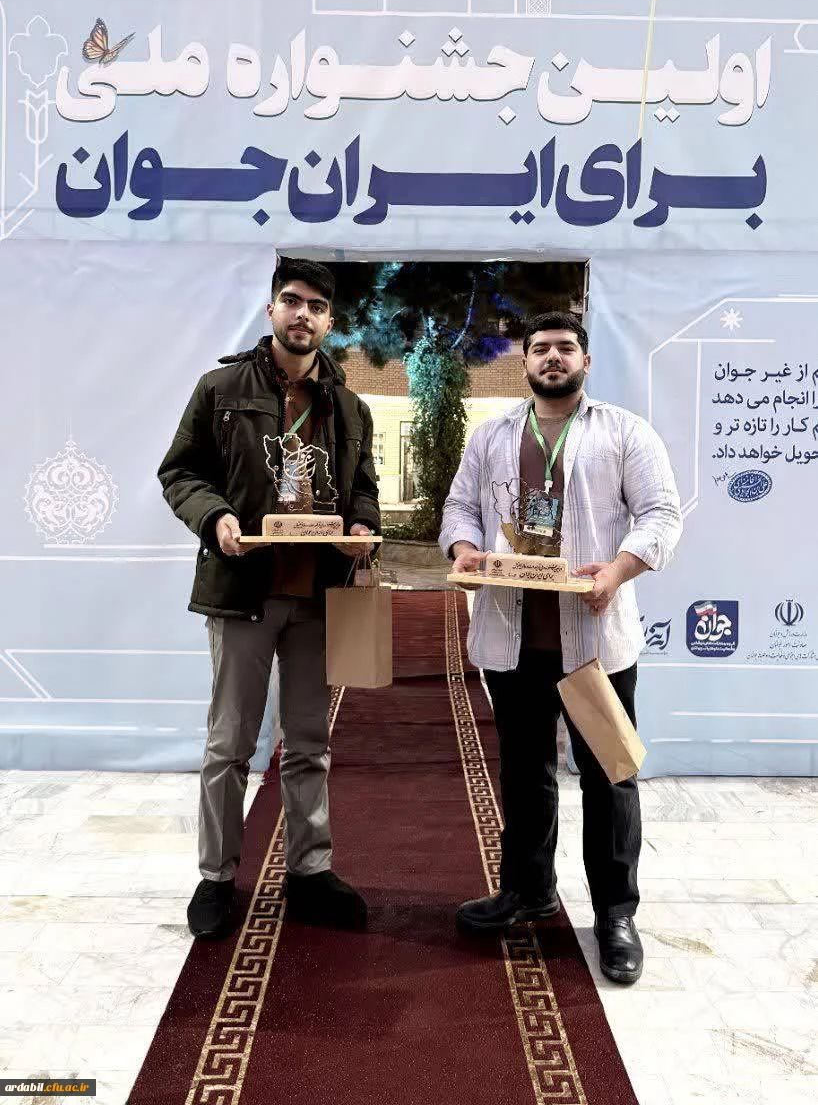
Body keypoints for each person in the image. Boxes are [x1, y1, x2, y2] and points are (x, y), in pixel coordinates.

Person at [439, 311, 682, 985]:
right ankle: (527, 890)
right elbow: (459, 508)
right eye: (541, 348)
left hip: (594, 642)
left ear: (586, 361)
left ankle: (615, 914)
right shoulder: (492, 436)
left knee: (610, 774)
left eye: (565, 348)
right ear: (524, 361)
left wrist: (617, 572)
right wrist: (464, 547)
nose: (553, 357)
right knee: (524, 771)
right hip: (512, 637)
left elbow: (661, 513)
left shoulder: (624, 432)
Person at [158, 258, 380, 939]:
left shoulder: (350, 408)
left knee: (309, 742)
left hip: (317, 598)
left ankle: (310, 871)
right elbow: (180, 472)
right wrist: (215, 517)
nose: (301, 314)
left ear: (330, 322)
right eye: (291, 300)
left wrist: (362, 528)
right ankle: (216, 877)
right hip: (243, 592)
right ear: (271, 310)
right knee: (229, 744)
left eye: (316, 306)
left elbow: (364, 489)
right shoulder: (221, 388)